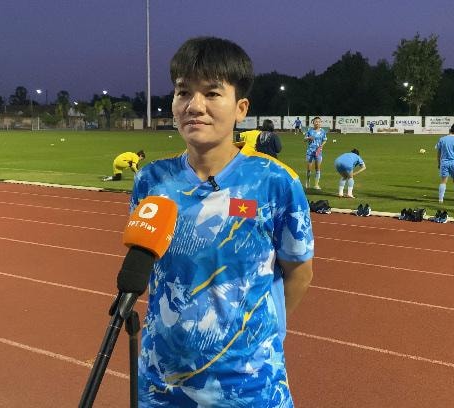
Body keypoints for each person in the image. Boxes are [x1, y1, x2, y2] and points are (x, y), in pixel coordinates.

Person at [131, 36, 314, 407]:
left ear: (240, 108)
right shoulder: (151, 181)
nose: (194, 106)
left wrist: (257, 336)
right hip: (161, 384)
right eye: (183, 92)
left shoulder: (275, 182)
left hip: (248, 385)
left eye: (212, 93)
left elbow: (299, 272)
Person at [435, 123, 454, 203]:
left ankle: (440, 199)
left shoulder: (442, 139)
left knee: (443, 181)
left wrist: (439, 163)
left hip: (444, 162)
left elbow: (439, 153)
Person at [303, 116, 327, 189]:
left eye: (319, 122)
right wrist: (309, 138)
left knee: (317, 168)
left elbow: (325, 140)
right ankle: (307, 182)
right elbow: (304, 139)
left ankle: (316, 185)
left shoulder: (323, 131)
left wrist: (321, 146)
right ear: (313, 122)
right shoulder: (310, 131)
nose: (317, 123)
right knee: (309, 168)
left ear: (320, 123)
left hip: (318, 152)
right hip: (310, 151)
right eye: (316, 121)